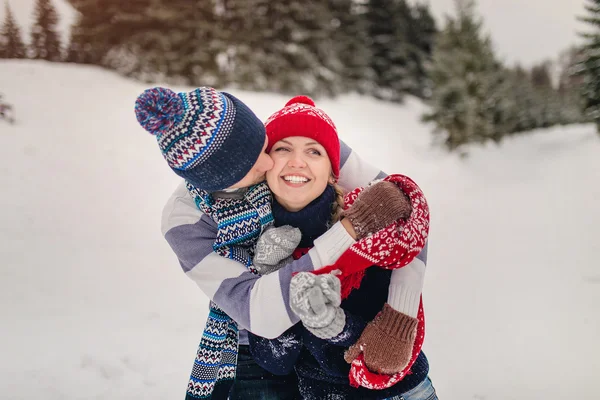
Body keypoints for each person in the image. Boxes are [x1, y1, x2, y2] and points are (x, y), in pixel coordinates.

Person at [134, 87, 432, 399]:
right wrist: (346, 233)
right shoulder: (185, 223)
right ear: (219, 182)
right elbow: (258, 312)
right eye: (253, 162)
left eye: (262, 145)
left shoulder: (289, 139)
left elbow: (403, 205)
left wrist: (401, 314)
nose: (268, 162)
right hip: (251, 335)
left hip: (340, 363)